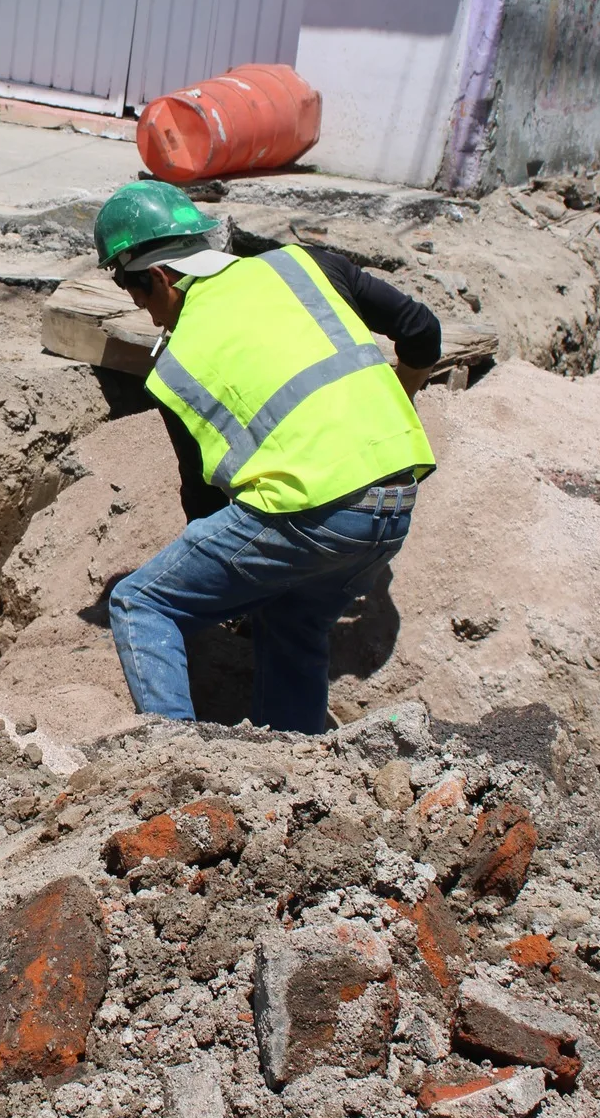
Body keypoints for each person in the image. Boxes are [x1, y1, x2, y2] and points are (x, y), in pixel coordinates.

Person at [93, 181, 440, 733]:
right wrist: (404, 395)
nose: (149, 315)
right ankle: (292, 766)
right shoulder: (308, 266)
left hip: (313, 509)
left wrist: (230, 594)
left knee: (141, 604)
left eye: (141, 297)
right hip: (397, 497)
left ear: (160, 277)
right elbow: (423, 331)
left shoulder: (175, 364)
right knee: (292, 619)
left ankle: (174, 760)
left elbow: (204, 500)